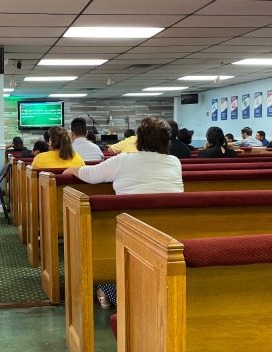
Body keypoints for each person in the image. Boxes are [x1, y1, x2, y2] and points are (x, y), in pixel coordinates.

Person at [63, 117, 183, 308]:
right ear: (166, 141)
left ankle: (111, 289)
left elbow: (91, 175)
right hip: (169, 235)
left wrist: (72, 170)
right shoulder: (174, 162)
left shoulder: (124, 160)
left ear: (139, 140)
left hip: (131, 231)